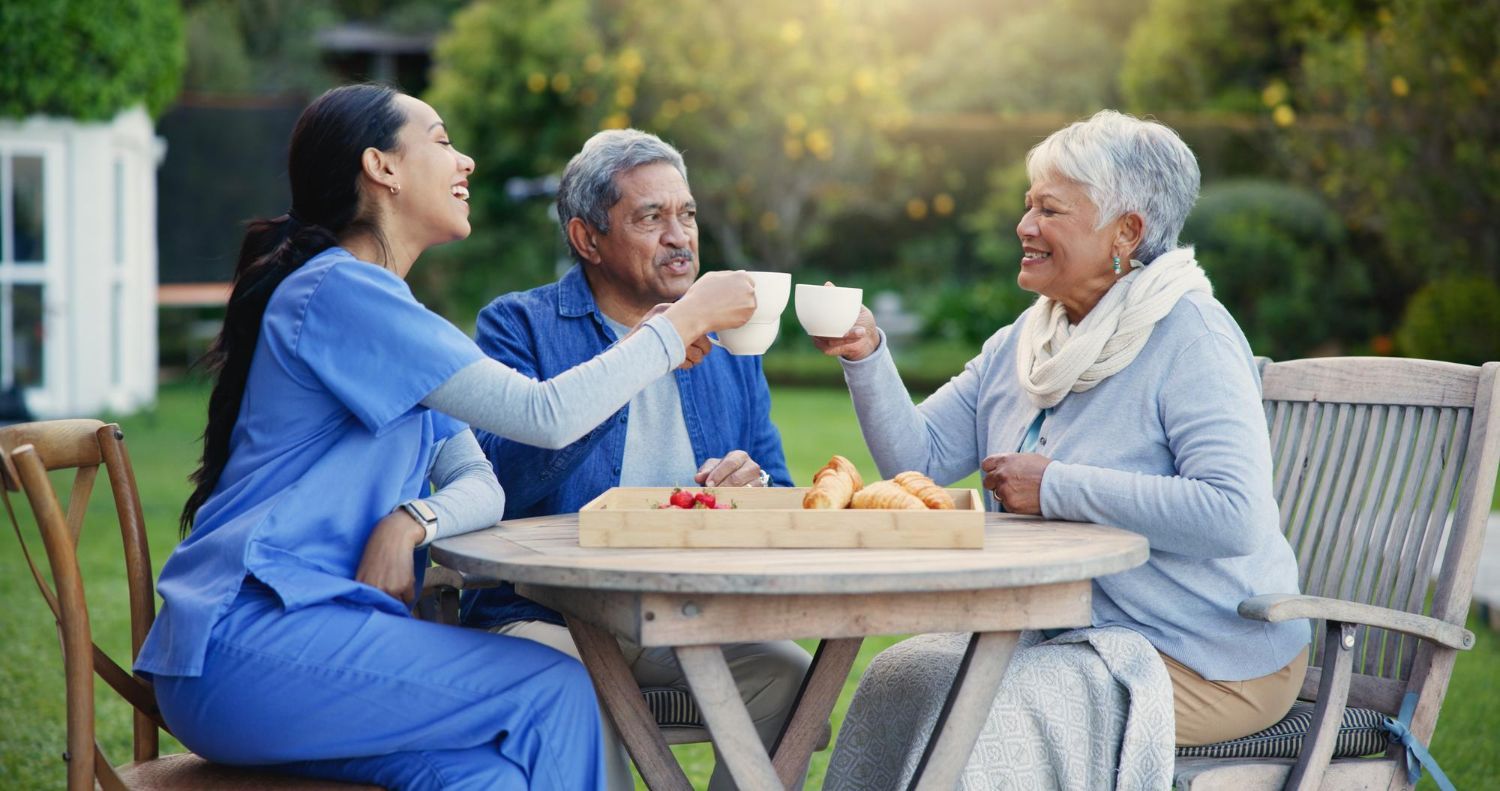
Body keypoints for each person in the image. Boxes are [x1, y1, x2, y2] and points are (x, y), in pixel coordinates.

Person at [133, 85, 759, 791]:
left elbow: (478, 480)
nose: (463, 162)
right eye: (438, 139)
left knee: (493, 777)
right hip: (249, 644)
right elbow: (545, 414)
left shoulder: (394, 315)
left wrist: (414, 518)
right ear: (382, 167)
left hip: (312, 643)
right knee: (557, 689)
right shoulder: (340, 292)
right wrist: (679, 323)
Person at [816, 110, 1310, 758]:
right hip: (1067, 636)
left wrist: (1056, 488)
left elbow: (1234, 515)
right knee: (899, 679)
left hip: (1209, 655)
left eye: (1050, 210)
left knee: (996, 718)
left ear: (1126, 231)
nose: (1024, 226)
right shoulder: (1025, 343)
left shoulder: (1193, 337)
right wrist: (866, 352)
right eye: (1028, 207)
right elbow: (920, 458)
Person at [461, 128, 812, 791]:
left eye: (687, 214)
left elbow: (782, 489)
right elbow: (500, 481)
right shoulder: (518, 326)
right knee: (568, 689)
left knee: (788, 675)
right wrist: (655, 346)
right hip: (547, 615)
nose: (680, 236)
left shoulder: (732, 342)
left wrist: (756, 483)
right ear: (587, 238)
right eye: (651, 217)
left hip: (684, 616)